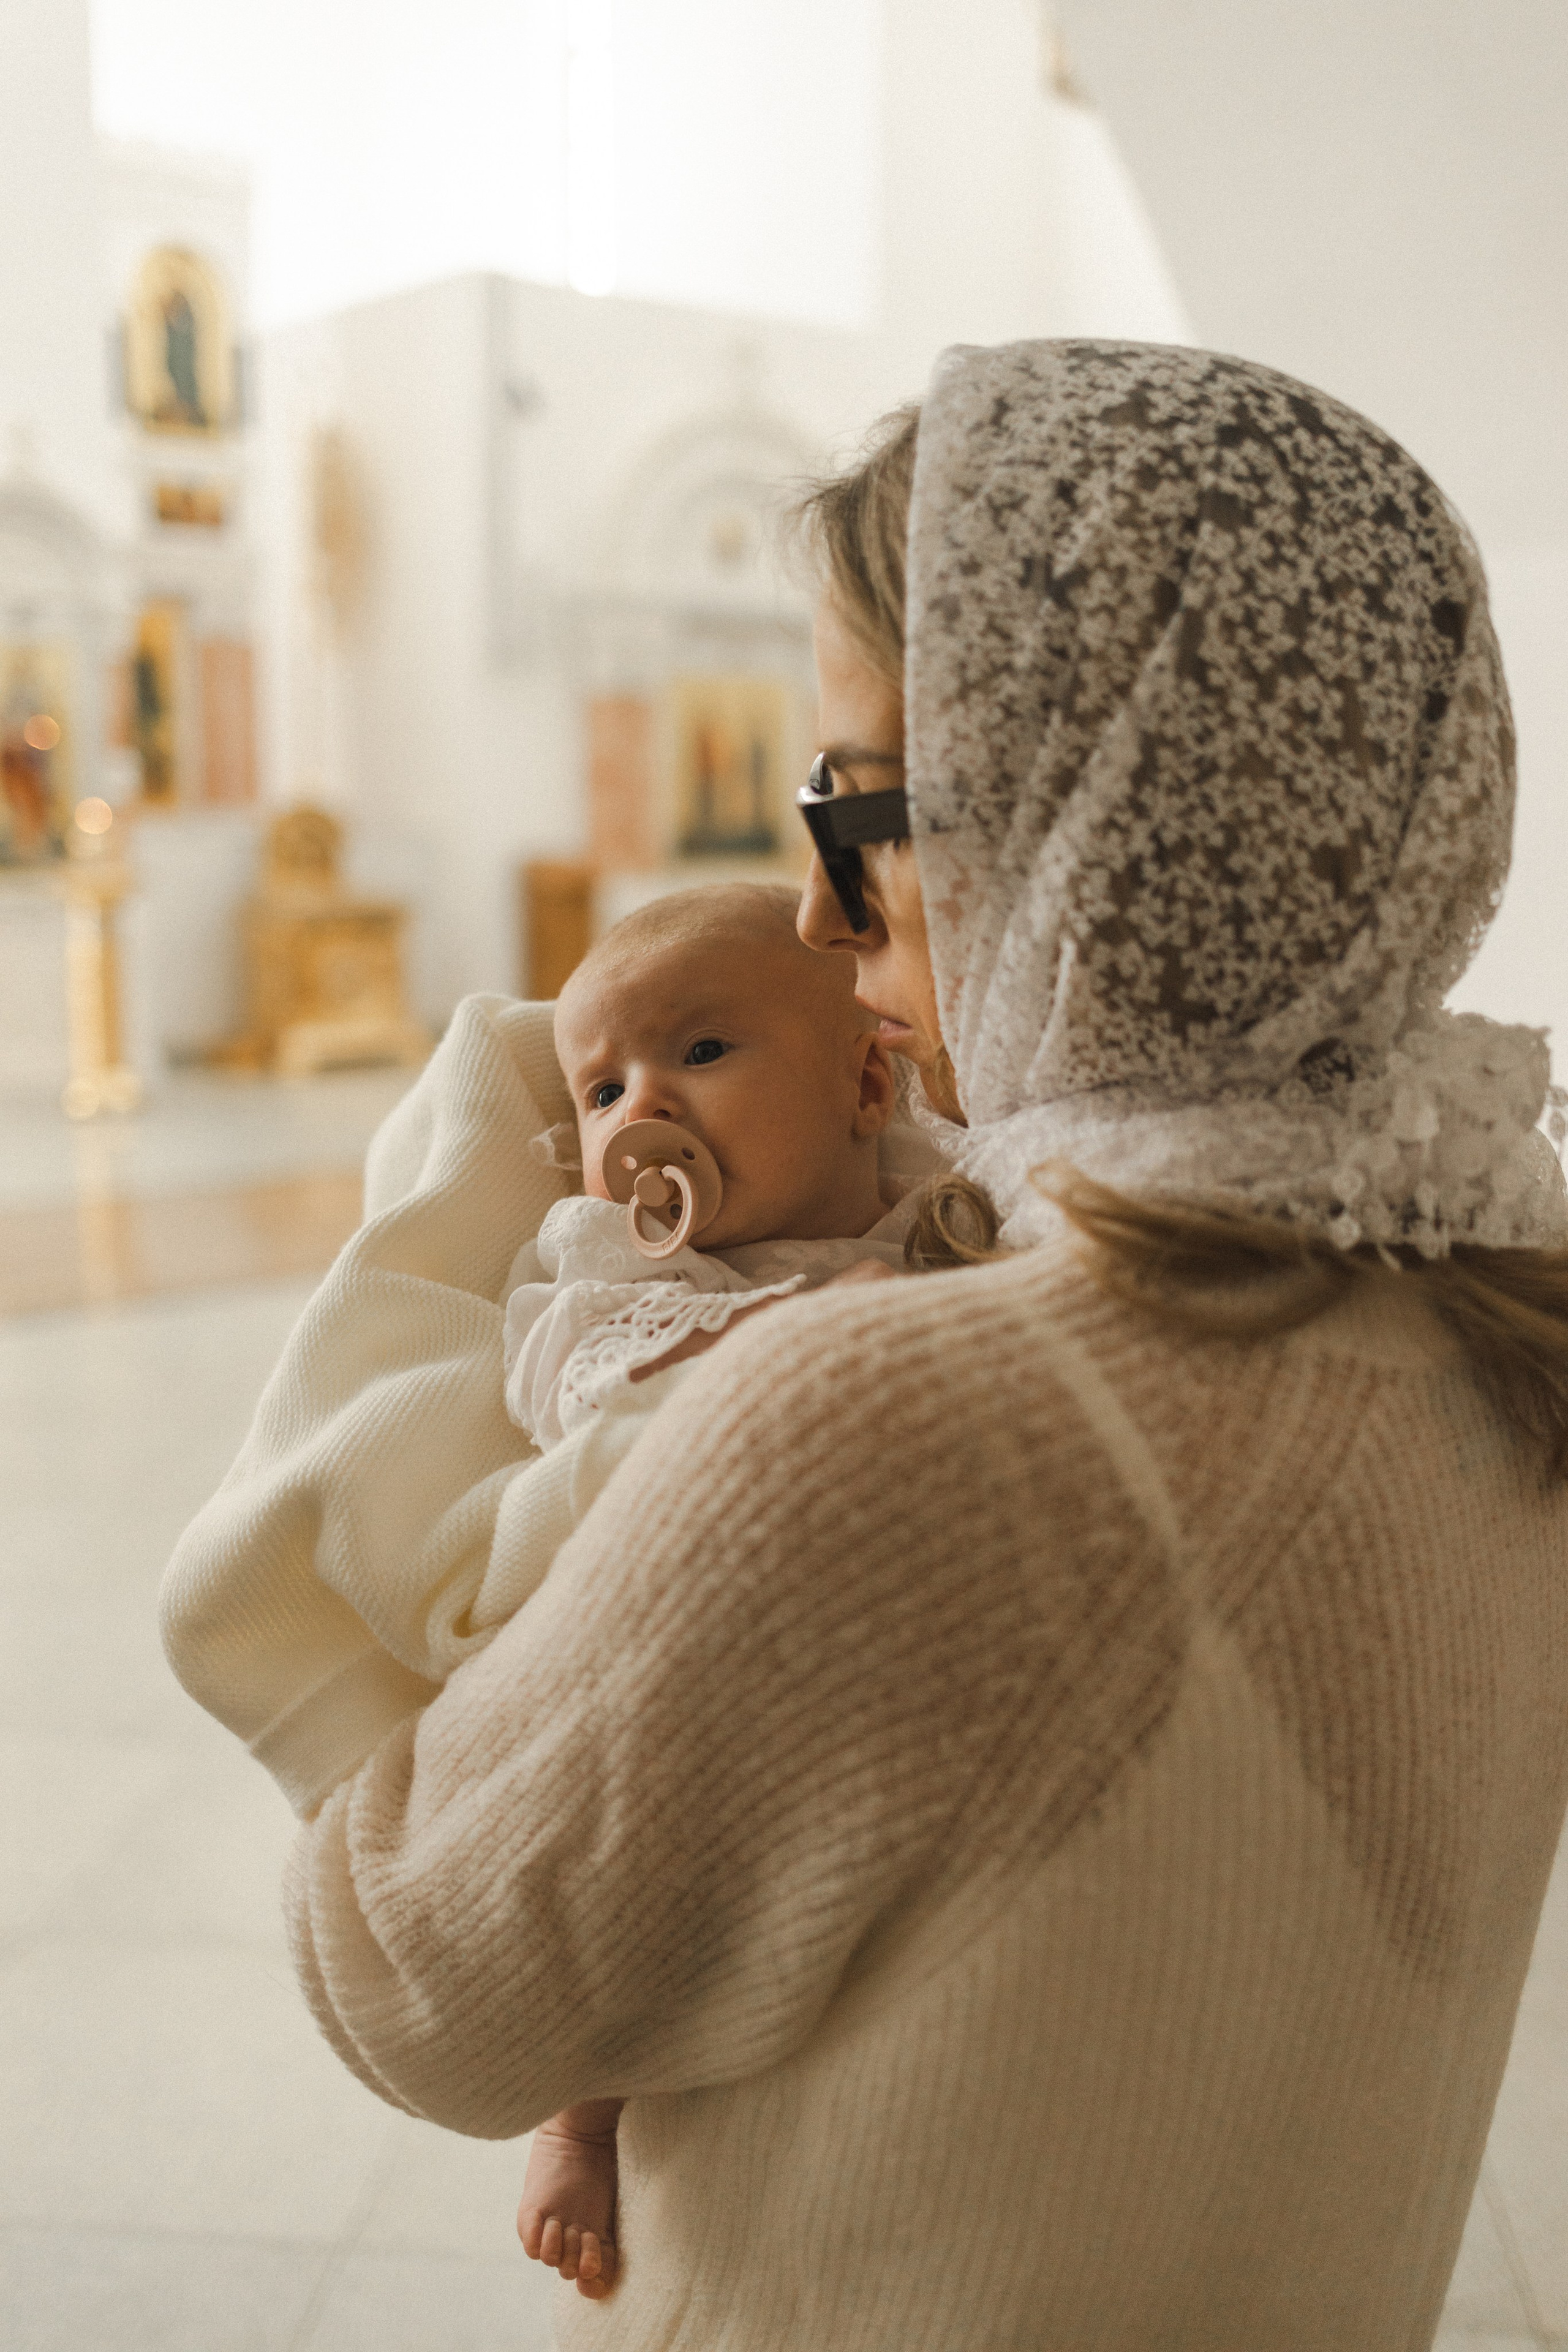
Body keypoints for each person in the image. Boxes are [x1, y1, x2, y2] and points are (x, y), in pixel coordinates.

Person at [164, 341, 1568, 2350]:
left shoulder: (902, 1415)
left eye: (859, 809)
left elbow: (406, 1975)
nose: (824, 926)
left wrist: (459, 1192)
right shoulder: (1496, 1313)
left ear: (1087, 825)